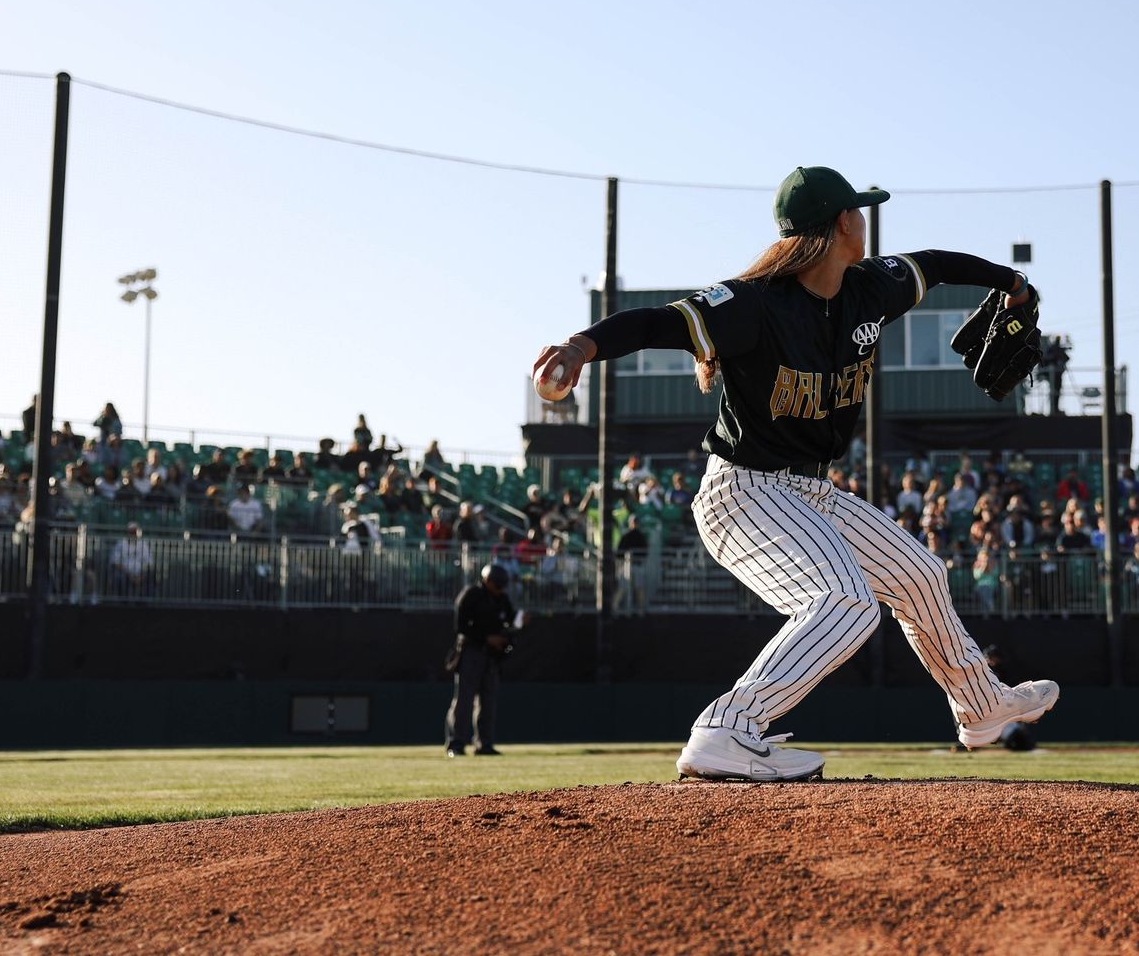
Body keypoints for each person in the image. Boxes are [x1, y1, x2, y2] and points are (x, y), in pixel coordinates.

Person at [529, 165, 1058, 781]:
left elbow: (937, 264)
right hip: (742, 490)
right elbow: (657, 322)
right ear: (840, 225)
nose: (865, 219)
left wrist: (1011, 282)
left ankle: (983, 705)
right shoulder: (754, 304)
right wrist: (580, 346)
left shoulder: (870, 288)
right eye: (857, 211)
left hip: (809, 490)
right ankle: (729, 726)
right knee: (844, 603)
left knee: (919, 573)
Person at [445, 566, 516, 757]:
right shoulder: (471, 595)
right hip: (471, 652)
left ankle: (484, 744)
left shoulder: (502, 599)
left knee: (488, 701)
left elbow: (510, 622)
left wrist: (513, 630)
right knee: (464, 700)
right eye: (497, 584)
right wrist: (486, 638)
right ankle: (456, 744)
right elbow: (461, 626)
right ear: (487, 580)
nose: (500, 589)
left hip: (492, 656)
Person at [109, 523, 153, 600]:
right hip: (125, 572)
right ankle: (124, 602)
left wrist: (141, 576)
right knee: (120, 577)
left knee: (150, 577)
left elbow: (150, 563)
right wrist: (129, 575)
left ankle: (144, 603)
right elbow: (115, 562)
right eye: (131, 532)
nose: (133, 535)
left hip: (141, 573)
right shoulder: (120, 544)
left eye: (135, 532)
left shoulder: (144, 544)